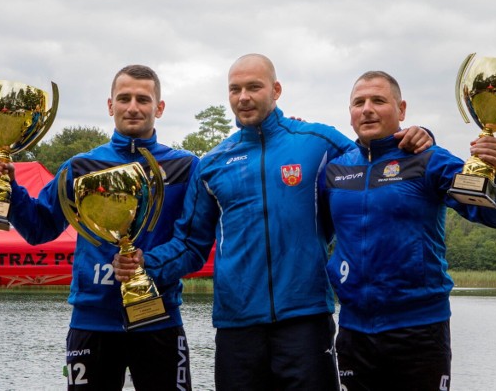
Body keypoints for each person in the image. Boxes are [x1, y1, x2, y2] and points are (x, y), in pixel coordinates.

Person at [113, 54, 432, 390]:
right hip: (237, 325)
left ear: (276, 89)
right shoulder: (211, 164)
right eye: (235, 89)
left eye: (254, 87)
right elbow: (191, 246)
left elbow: (372, 156)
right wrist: (146, 263)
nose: (244, 97)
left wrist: (419, 136)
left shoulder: (317, 142)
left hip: (306, 319)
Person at [0, 65, 198, 390]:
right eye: (124, 98)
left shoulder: (185, 167)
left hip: (160, 320)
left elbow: (193, 245)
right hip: (91, 323)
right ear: (110, 105)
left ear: (159, 107)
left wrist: (149, 266)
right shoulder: (80, 167)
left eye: (143, 99)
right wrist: (10, 189)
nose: (133, 107)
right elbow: (39, 228)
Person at [321, 71, 496, 390]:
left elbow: (494, 216)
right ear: (350, 113)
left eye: (378, 100)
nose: (367, 108)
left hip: (420, 329)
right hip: (354, 331)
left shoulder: (428, 160)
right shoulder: (335, 170)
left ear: (401, 110)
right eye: (359, 102)